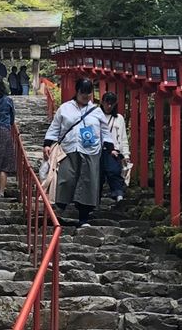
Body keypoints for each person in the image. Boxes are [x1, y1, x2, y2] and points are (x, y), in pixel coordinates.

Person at [43, 77, 106, 223]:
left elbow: (105, 131)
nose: (85, 95)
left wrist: (110, 145)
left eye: (88, 93)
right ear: (77, 91)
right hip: (69, 148)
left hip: (90, 149)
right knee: (67, 177)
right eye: (83, 92)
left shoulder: (96, 111)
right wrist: (48, 142)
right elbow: (55, 127)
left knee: (88, 180)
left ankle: (84, 214)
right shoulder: (65, 108)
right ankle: (61, 206)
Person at [100, 90, 130, 205]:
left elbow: (123, 138)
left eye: (111, 104)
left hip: (114, 151)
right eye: (107, 103)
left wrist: (126, 154)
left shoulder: (119, 118)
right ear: (102, 102)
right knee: (99, 175)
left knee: (114, 172)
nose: (109, 106)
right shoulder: (96, 116)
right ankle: (95, 201)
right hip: (98, 150)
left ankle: (118, 195)